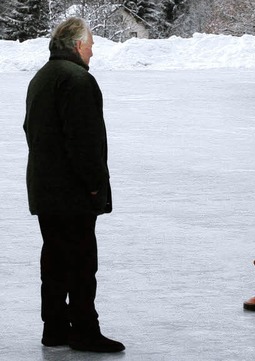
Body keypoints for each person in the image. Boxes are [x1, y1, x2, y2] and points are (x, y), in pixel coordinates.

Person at [23, 17, 125, 352]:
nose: (93, 53)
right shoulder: (77, 80)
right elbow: (83, 141)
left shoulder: (42, 77)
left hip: (46, 188)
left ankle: (54, 328)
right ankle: (83, 330)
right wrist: (94, 184)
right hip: (72, 192)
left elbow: (31, 130)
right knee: (81, 262)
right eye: (92, 46)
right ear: (78, 45)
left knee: (54, 260)